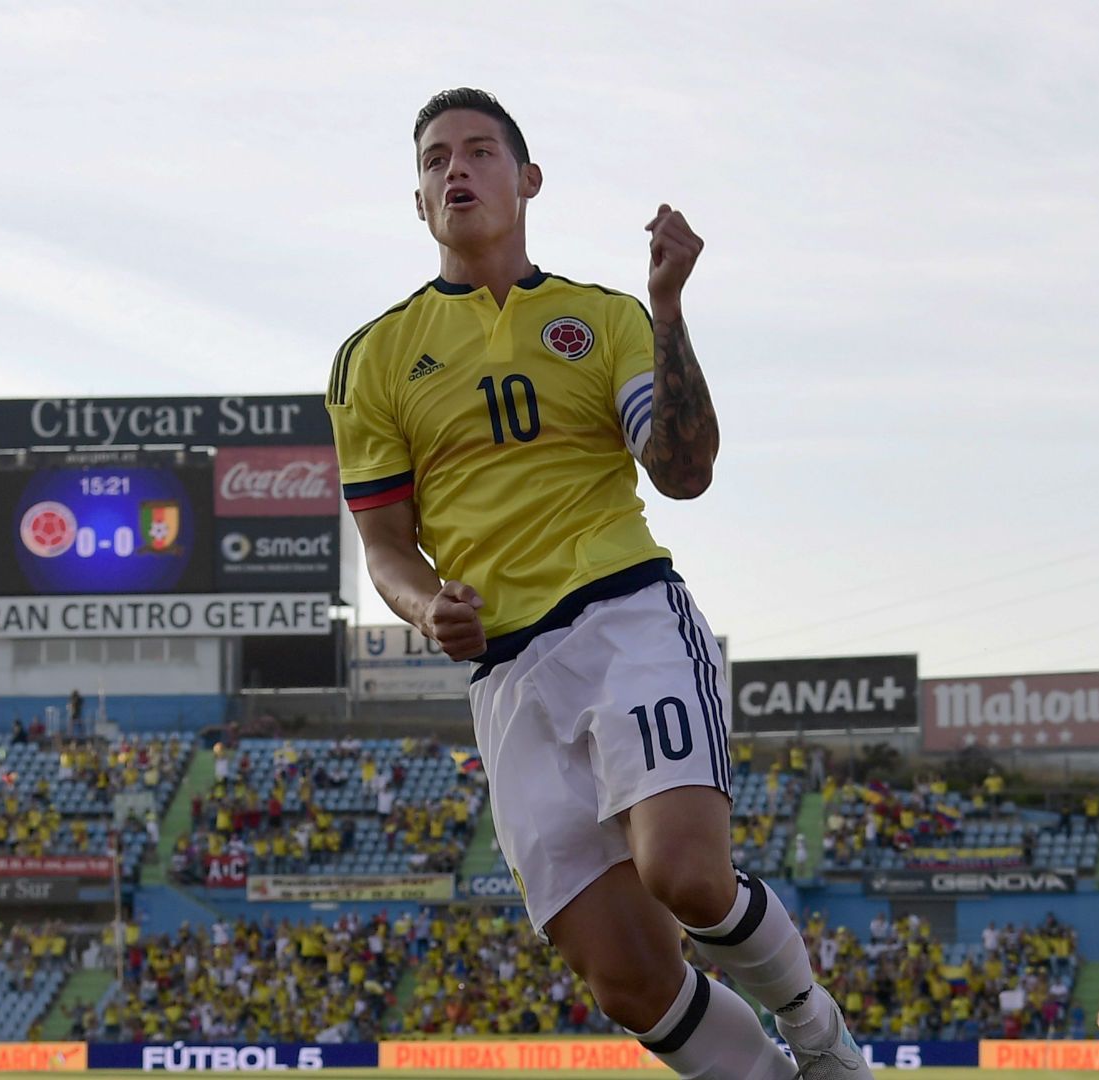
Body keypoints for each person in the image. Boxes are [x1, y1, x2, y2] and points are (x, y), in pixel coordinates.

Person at [327, 87, 869, 1079]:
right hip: (506, 678)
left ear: (527, 180)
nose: (458, 169)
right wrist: (423, 606)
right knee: (628, 980)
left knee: (688, 877)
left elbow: (684, 470)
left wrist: (667, 308)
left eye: (481, 151)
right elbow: (386, 548)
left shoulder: (603, 318)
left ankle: (821, 1037)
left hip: (623, 621)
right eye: (436, 158)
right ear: (417, 202)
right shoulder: (374, 362)